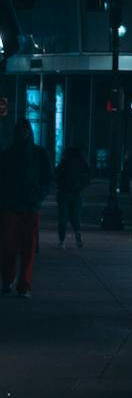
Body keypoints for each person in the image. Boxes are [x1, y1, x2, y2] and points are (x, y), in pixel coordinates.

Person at [0, 119, 53, 293]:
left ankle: (21, 284)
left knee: (25, 250)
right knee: (11, 248)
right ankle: (13, 281)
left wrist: (38, 194)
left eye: (25, 130)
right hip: (15, 207)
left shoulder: (35, 154)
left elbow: (48, 179)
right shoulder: (10, 154)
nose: (23, 133)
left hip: (26, 207)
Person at [55, 142, 91, 247]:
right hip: (77, 193)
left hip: (63, 192)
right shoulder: (82, 162)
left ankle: (62, 241)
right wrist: (80, 187)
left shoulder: (64, 162)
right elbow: (88, 177)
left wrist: (60, 185)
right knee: (75, 215)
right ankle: (78, 233)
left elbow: (56, 174)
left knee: (63, 216)